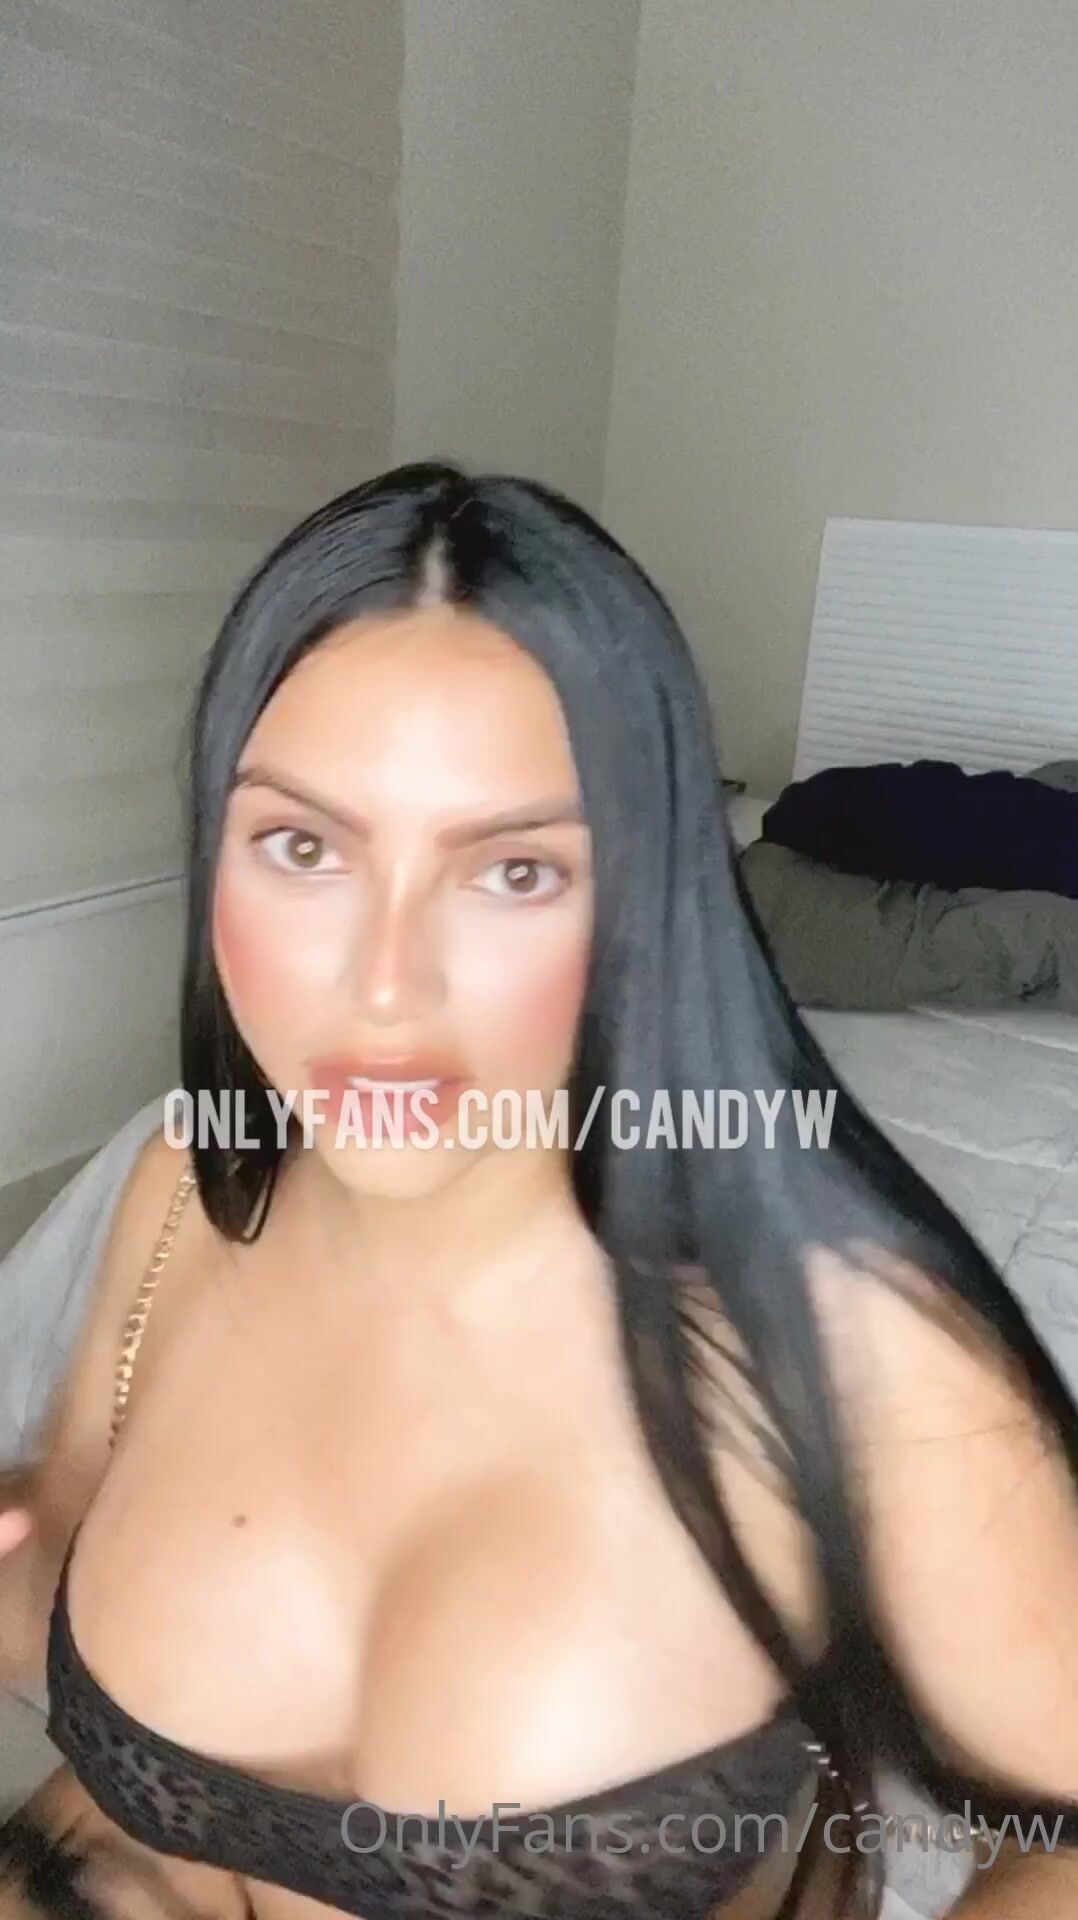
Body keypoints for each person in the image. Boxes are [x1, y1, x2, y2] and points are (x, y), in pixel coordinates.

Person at [1, 460, 1076, 1920]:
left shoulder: (859, 1349)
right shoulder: (184, 1191)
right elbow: (57, 1545)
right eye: (302, 847)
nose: (385, 987)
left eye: (511, 871)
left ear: (642, 895)